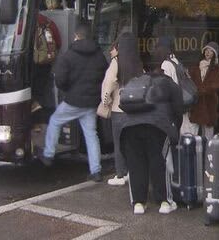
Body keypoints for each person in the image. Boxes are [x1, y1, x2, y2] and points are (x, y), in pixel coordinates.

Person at [116, 33, 184, 215]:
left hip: (128, 128)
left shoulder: (137, 81)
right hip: (157, 127)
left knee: (136, 163)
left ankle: (139, 203)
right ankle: (164, 202)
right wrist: (174, 130)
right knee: (158, 162)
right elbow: (179, 108)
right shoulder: (168, 82)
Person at [40, 24, 108, 183]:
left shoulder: (68, 55)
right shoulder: (99, 55)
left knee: (55, 121)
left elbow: (60, 80)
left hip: (73, 101)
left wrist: (68, 91)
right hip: (91, 102)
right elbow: (104, 77)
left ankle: (49, 155)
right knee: (91, 134)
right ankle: (96, 171)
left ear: (76, 36)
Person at [100, 39, 129, 186]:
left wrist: (105, 101)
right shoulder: (135, 62)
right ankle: (131, 171)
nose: (110, 51)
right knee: (130, 143)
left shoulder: (116, 62)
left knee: (118, 143)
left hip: (118, 108)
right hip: (133, 109)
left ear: (118, 49)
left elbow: (109, 82)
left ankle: (120, 174)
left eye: (113, 48)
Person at [154, 37, 195, 135]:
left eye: (158, 47)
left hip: (171, 107)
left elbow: (165, 89)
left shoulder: (166, 64)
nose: (156, 51)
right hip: (181, 104)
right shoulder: (176, 61)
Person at [31, 0, 63, 112]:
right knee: (43, 87)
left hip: (29, 62)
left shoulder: (24, 21)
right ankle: (41, 109)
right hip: (46, 61)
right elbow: (58, 42)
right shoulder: (48, 22)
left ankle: (34, 107)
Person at [188, 42, 219, 140]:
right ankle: (196, 151)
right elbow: (191, 81)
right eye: (206, 50)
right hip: (197, 102)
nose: (207, 53)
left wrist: (204, 90)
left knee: (208, 131)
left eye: (210, 51)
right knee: (194, 130)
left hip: (209, 101)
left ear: (214, 54)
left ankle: (208, 152)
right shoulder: (196, 67)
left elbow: (218, 83)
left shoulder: (216, 68)